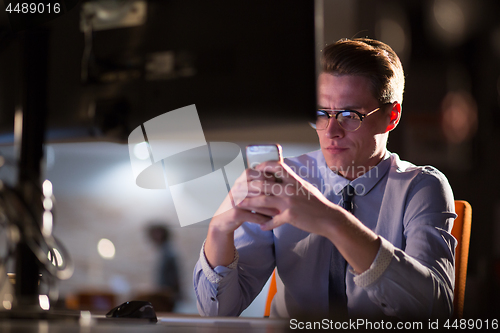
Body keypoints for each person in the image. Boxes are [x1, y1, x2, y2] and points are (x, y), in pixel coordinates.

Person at [193, 38, 456, 320]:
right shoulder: (285, 180)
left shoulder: (420, 187)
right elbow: (217, 310)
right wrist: (219, 230)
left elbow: (434, 312)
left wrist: (331, 221)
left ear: (391, 116)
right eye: (320, 113)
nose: (331, 131)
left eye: (349, 115)